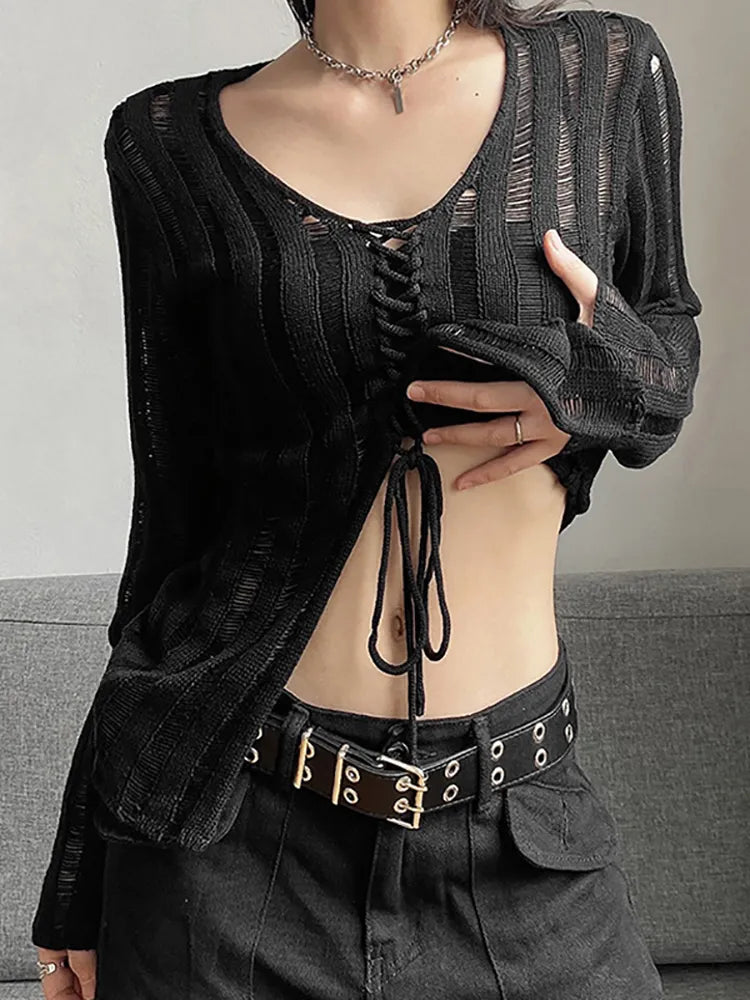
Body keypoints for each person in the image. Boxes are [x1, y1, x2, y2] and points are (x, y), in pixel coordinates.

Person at [32, 0, 703, 996]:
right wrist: (79, 874)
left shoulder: (600, 70)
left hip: (520, 831)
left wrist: (589, 385)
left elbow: (668, 350)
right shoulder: (166, 143)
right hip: (232, 841)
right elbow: (173, 526)